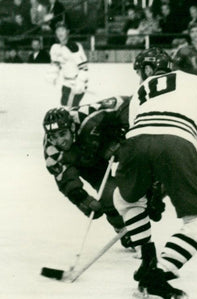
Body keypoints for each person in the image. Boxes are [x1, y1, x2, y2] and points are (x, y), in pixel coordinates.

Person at [114, 47, 197, 299]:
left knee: (125, 200)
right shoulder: (188, 78)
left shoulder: (138, 94)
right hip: (178, 143)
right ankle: (160, 271)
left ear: (149, 70)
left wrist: (151, 187)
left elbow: (144, 132)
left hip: (135, 144)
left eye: (141, 71)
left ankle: (147, 258)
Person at [43, 97, 159, 247]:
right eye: (54, 137)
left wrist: (125, 128)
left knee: (137, 162)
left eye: (62, 134)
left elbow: (125, 103)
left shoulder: (86, 115)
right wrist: (82, 200)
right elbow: (65, 180)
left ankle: (152, 188)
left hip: (107, 144)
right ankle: (123, 230)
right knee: (109, 197)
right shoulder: (51, 152)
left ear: (72, 127)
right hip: (88, 164)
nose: (59, 142)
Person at [49, 23, 89, 109]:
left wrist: (81, 82)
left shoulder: (74, 46)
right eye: (58, 30)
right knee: (65, 108)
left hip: (77, 83)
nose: (60, 33)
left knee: (69, 110)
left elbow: (84, 67)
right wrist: (53, 76)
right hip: (66, 83)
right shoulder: (55, 48)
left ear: (67, 32)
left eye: (62, 30)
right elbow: (56, 64)